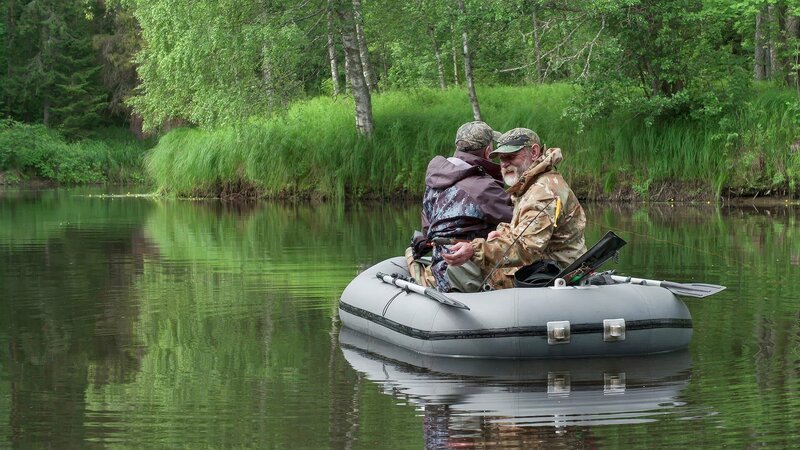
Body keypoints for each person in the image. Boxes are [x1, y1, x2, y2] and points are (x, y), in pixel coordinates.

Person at [442, 127, 586, 291]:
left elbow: (526, 247)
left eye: (511, 156)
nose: (505, 164)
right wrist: (502, 232)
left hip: (553, 273)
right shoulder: (532, 184)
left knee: (463, 268)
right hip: (540, 265)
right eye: (502, 159)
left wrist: (474, 250)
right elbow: (526, 230)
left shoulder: (544, 192)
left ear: (534, 152)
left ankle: (477, 311)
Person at [408, 121, 513, 292]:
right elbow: (521, 222)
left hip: (439, 269)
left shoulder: (434, 181)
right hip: (466, 274)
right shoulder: (484, 187)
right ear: (488, 151)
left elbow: (427, 231)